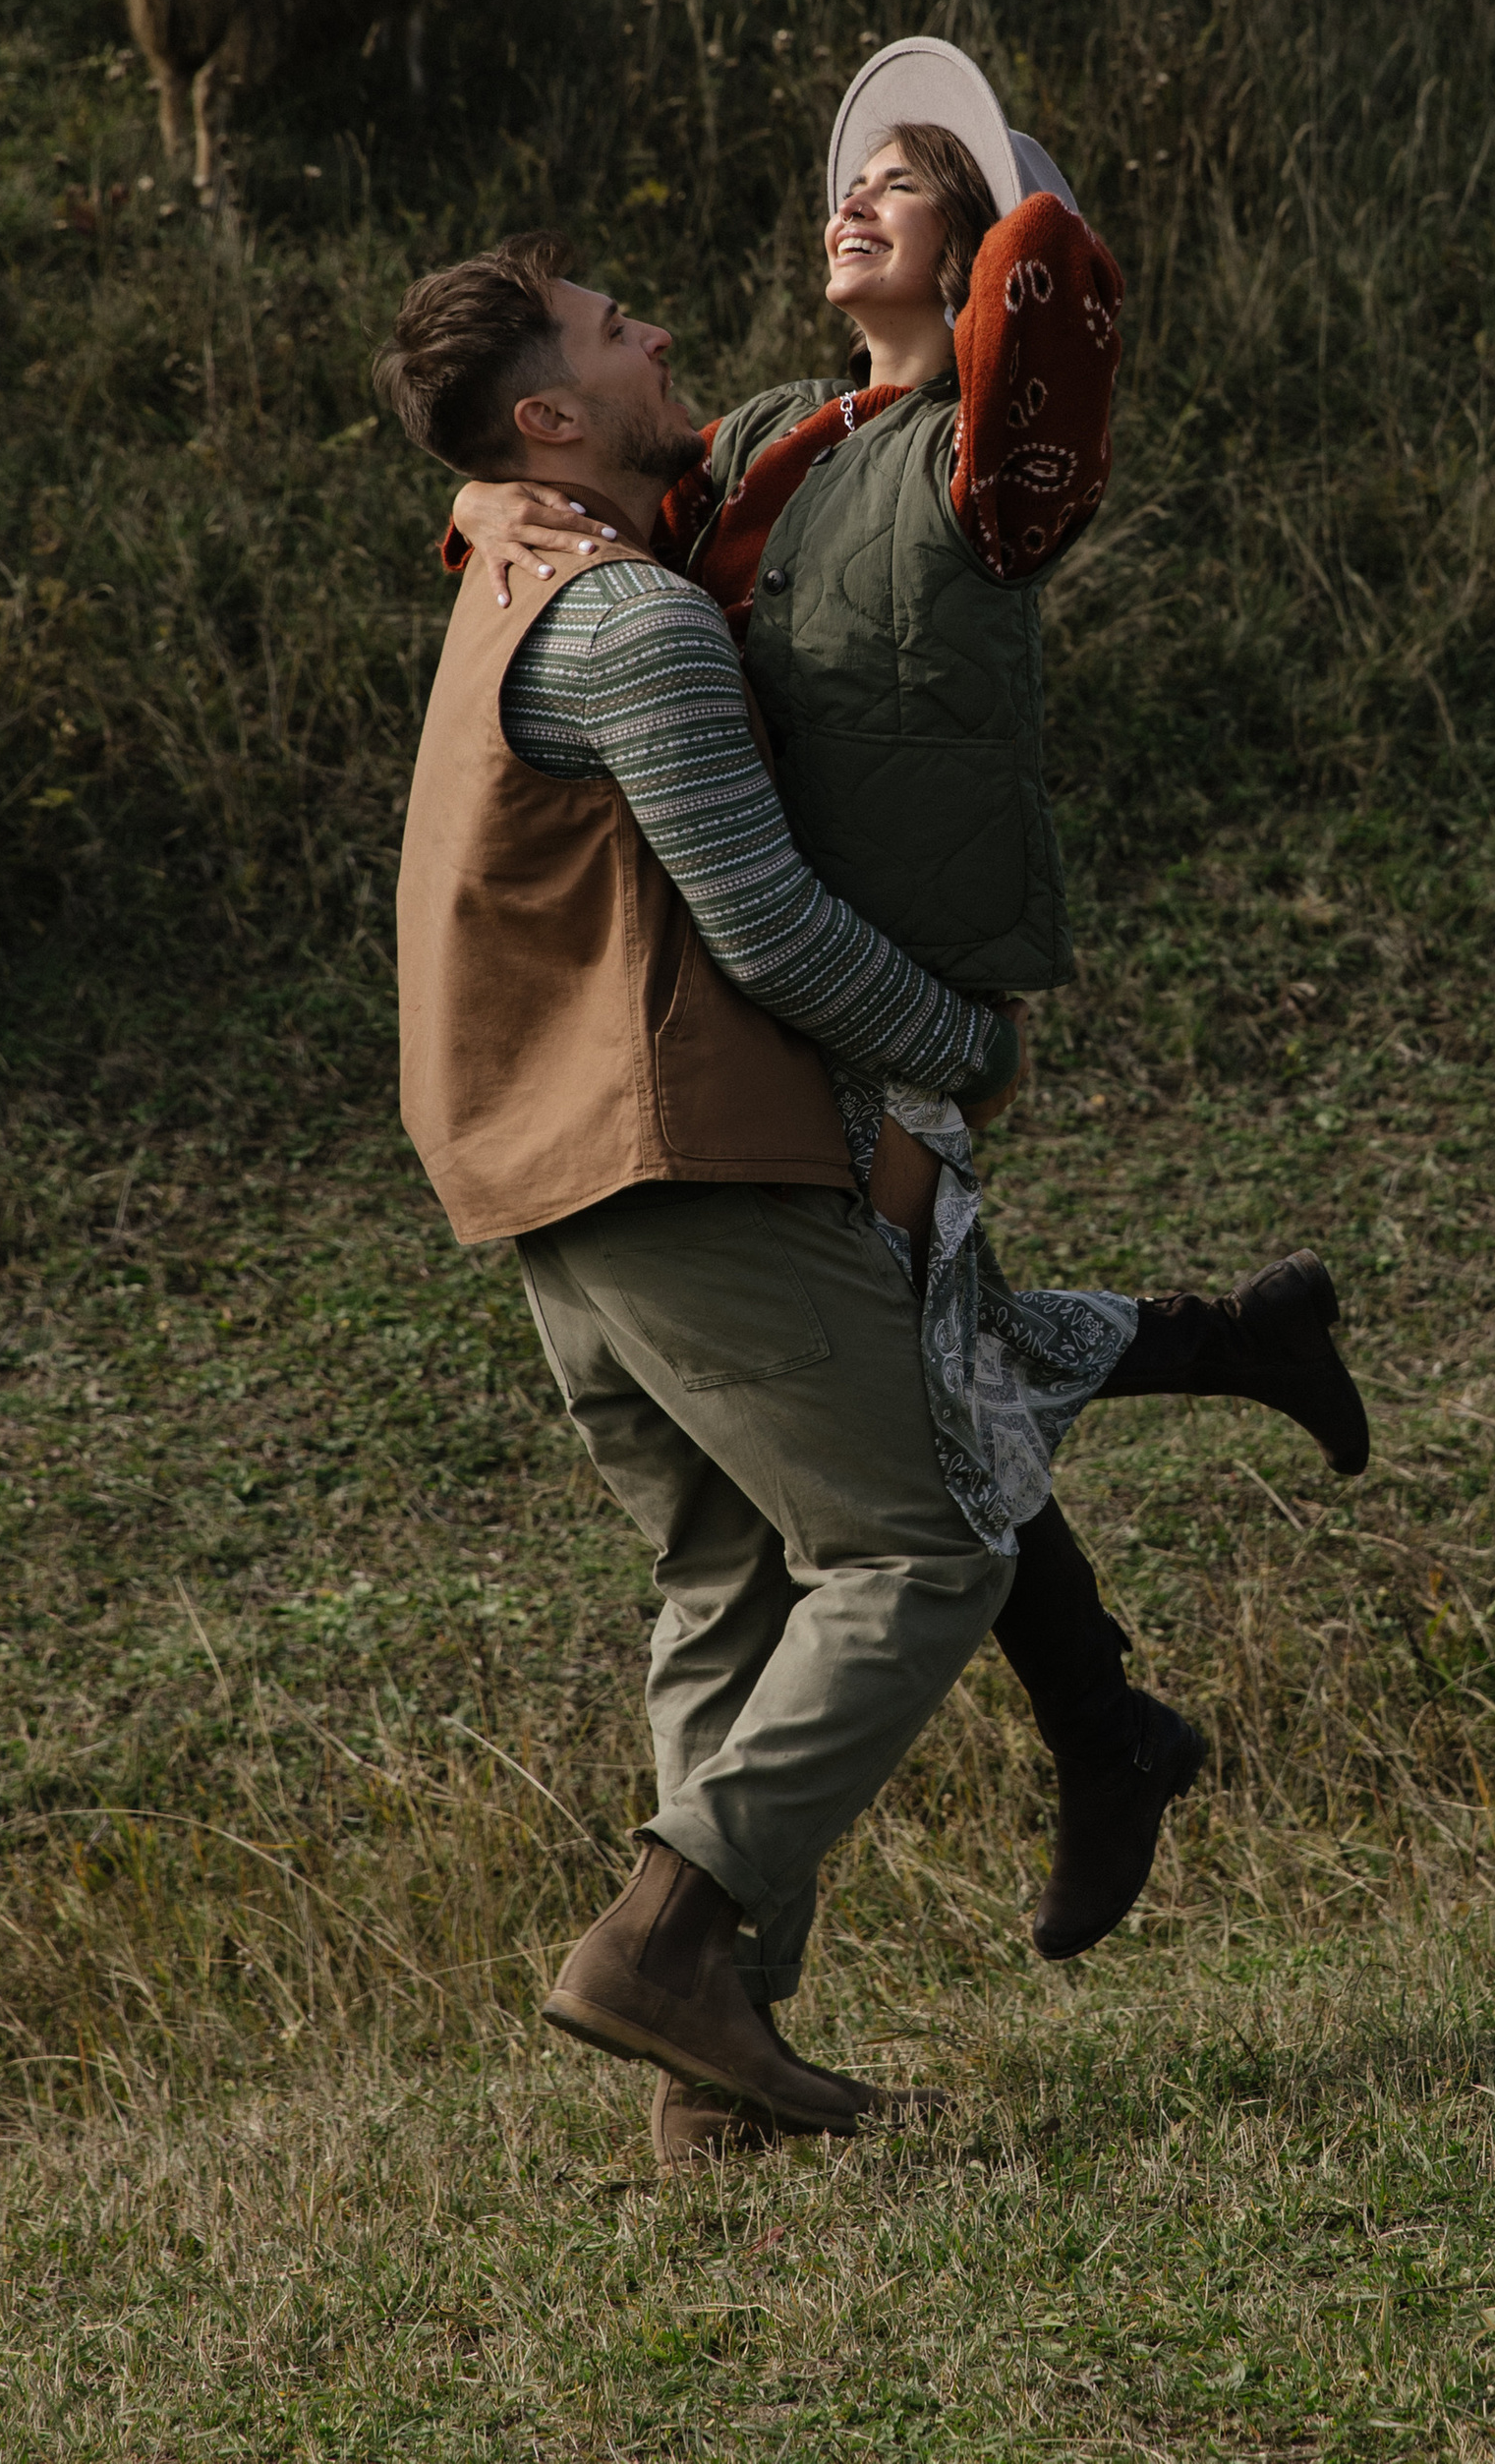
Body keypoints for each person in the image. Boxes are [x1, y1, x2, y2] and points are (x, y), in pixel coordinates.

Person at [444, 41, 1369, 1999]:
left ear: (979, 261)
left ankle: (1107, 1705)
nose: (849, 196)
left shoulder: (990, 469)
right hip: (797, 1013)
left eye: (904, 183)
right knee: (948, 1366)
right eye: (845, 178)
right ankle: (1193, 1476)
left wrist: (1001, 205)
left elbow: (1052, 336)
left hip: (892, 995)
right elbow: (598, 499)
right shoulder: (771, 426)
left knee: (938, 1389)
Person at [375, 238, 1033, 2166]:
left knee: (729, 1580)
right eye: (606, 330)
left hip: (538, 1179)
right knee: (919, 1548)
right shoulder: (630, 632)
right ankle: (664, 1936)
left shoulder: (511, 572)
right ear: (552, 417)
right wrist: (956, 1040)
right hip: (672, 1152)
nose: (653, 328)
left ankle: (711, 2086)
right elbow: (761, 926)